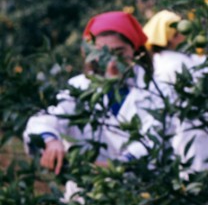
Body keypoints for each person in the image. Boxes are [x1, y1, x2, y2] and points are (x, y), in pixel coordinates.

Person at [23, 11, 160, 176]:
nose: (112, 62)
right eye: (103, 53)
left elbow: (154, 139)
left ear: (135, 50)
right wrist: (50, 141)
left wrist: (116, 166)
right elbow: (47, 119)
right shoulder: (80, 86)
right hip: (86, 192)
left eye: (120, 53)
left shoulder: (155, 90)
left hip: (141, 191)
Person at [143, 10, 208, 172]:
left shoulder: (163, 61)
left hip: (182, 132)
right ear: (172, 37)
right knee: (200, 176)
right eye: (181, 33)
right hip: (192, 132)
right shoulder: (178, 64)